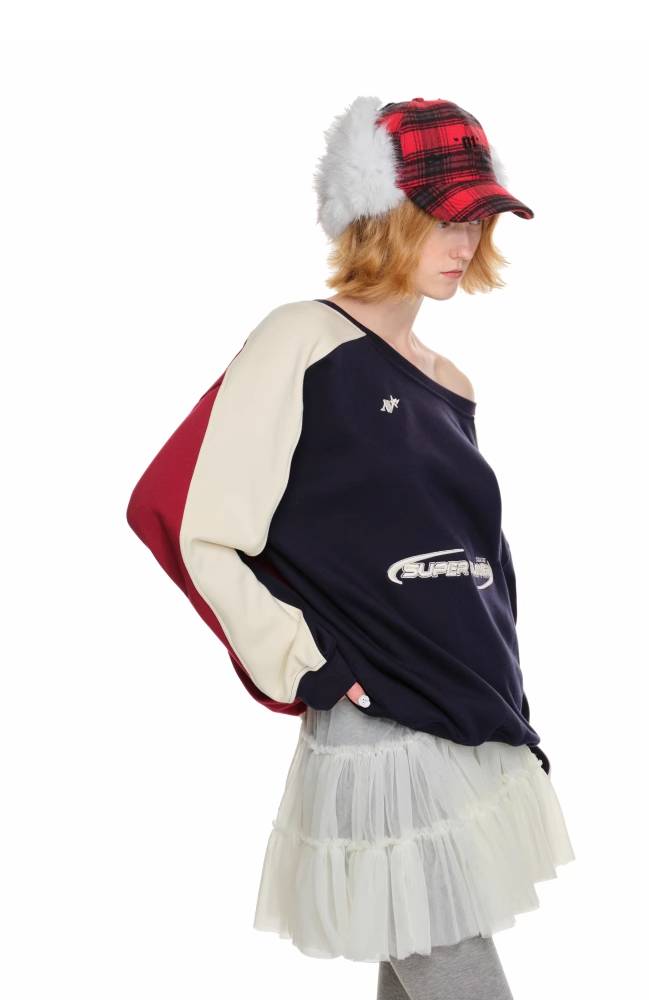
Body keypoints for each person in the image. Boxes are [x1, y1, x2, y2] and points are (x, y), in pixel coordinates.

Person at [126, 96, 575, 998]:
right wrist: (310, 666)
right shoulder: (303, 341)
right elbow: (207, 532)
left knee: (418, 972)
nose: (464, 240)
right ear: (381, 214)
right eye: (443, 217)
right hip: (381, 729)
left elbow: (475, 566)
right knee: (454, 967)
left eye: (476, 219)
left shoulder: (451, 382)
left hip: (462, 712)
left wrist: (507, 696)